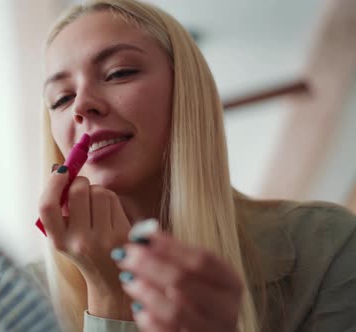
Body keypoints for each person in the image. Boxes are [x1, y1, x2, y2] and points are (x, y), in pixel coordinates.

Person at [27, 0, 356, 331]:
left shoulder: (325, 246)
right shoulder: (19, 299)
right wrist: (108, 299)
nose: (82, 105)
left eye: (119, 72)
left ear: (186, 89)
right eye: (61, 99)